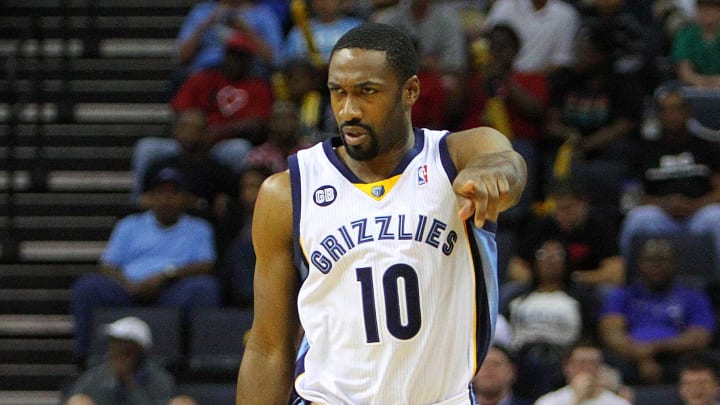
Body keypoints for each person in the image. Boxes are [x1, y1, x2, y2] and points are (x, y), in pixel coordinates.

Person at [235, 22, 527, 404]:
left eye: (366, 92)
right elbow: (268, 347)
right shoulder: (287, 192)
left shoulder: (455, 157)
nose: (348, 110)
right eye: (337, 93)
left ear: (410, 91)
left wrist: (493, 175)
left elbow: (507, 163)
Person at [71, 167, 221, 363]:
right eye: (161, 192)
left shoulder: (199, 228)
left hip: (172, 291)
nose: (167, 198)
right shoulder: (129, 224)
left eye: (173, 193)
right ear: (150, 197)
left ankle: (197, 359)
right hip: (128, 290)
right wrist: (130, 285)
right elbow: (108, 265)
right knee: (87, 286)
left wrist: (166, 276)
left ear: (185, 197)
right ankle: (83, 356)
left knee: (205, 288)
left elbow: (206, 265)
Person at [618, 85, 720, 267]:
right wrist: (664, 204)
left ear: (688, 112)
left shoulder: (707, 147)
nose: (673, 115)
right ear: (659, 116)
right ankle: (632, 281)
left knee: (717, 217)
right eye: (666, 110)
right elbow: (632, 196)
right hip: (661, 216)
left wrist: (696, 205)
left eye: (677, 109)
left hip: (699, 214)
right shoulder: (644, 150)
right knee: (637, 219)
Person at [598, 238, 716, 385]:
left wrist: (654, 348)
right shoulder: (622, 295)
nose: (656, 266)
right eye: (650, 261)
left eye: (663, 261)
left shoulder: (693, 296)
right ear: (640, 265)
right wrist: (641, 357)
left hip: (678, 358)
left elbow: (699, 337)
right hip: (629, 358)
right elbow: (612, 334)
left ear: (675, 265)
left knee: (704, 363)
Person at [505, 239, 598, 400]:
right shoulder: (518, 298)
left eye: (557, 255)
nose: (550, 260)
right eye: (543, 254)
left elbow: (587, 336)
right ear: (534, 261)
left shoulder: (579, 299)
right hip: (522, 360)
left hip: (561, 360)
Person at [504, 177, 624, 295]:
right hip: (541, 286)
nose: (561, 215)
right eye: (557, 208)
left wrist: (573, 278)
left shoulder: (599, 227)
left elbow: (615, 273)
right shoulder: (540, 226)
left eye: (568, 208)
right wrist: (543, 280)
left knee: (608, 292)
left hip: (585, 286)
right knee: (512, 289)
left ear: (584, 203)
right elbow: (515, 268)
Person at [64, 317, 197, 405]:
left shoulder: (158, 378)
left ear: (136, 347)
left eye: (120, 341)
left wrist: (129, 382)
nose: (113, 346)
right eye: (112, 340)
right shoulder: (96, 374)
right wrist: (116, 379)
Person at [483, 0, 580, 75]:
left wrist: (526, 79)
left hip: (540, 82)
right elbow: (487, 42)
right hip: (499, 74)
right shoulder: (505, 5)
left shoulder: (566, 15)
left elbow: (561, 61)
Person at [534, 341, 631, 405]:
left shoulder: (618, 403)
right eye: (581, 363)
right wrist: (577, 400)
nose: (587, 368)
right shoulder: (549, 401)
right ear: (567, 367)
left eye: (593, 363)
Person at [671, 0, 720, 88]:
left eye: (713, 8)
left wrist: (716, 82)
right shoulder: (686, 33)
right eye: (703, 8)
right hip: (692, 86)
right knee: (669, 98)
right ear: (697, 9)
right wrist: (701, 82)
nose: (708, 11)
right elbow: (684, 69)